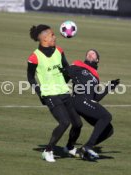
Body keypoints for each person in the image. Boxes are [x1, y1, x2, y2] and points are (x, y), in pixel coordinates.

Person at [27, 24, 82, 162]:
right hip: (50, 94)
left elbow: (66, 69)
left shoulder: (59, 51)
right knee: (64, 122)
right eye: (52, 35)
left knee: (78, 124)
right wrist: (39, 92)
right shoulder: (34, 57)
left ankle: (69, 147)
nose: (55, 37)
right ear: (44, 38)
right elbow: (30, 77)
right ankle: (48, 150)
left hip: (64, 91)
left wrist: (73, 73)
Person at [61, 49, 120, 161]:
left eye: (93, 53)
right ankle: (88, 146)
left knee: (109, 130)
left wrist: (109, 87)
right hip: (78, 100)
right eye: (88, 53)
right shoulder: (78, 64)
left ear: (97, 60)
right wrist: (63, 69)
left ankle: (75, 148)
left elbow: (95, 98)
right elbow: (67, 72)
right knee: (106, 116)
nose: (90, 53)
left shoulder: (95, 76)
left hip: (85, 102)